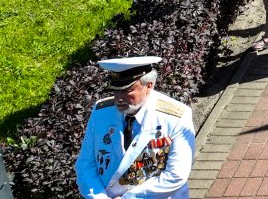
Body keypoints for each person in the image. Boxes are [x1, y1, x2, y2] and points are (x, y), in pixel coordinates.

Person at [73, 56, 196, 199]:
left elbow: (176, 175)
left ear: (148, 86)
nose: (118, 98)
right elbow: (85, 165)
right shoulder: (101, 113)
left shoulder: (176, 117)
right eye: (115, 90)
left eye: (127, 90)